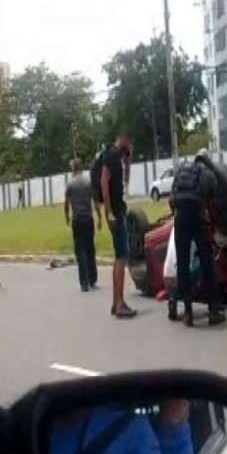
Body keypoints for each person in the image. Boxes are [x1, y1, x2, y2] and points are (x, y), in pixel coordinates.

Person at [168, 151, 225, 327]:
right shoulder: (208, 174)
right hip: (196, 216)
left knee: (183, 264)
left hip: (180, 218)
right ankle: (213, 311)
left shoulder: (181, 171)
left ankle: (187, 314)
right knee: (207, 262)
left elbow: (172, 199)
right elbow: (214, 203)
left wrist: (177, 216)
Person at [101, 131, 137, 318]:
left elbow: (125, 181)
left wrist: (129, 159)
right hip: (116, 212)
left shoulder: (118, 157)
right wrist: (109, 212)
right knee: (121, 256)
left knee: (119, 256)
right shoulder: (112, 155)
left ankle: (117, 302)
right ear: (122, 138)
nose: (130, 145)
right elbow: (104, 182)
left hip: (117, 210)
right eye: (129, 141)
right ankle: (119, 302)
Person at [65, 158, 101, 292]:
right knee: (90, 248)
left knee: (80, 251)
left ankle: (84, 282)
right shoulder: (88, 182)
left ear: (74, 168)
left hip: (77, 220)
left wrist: (67, 217)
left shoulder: (70, 184)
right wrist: (100, 217)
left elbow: (66, 203)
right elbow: (95, 201)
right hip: (88, 218)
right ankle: (93, 278)